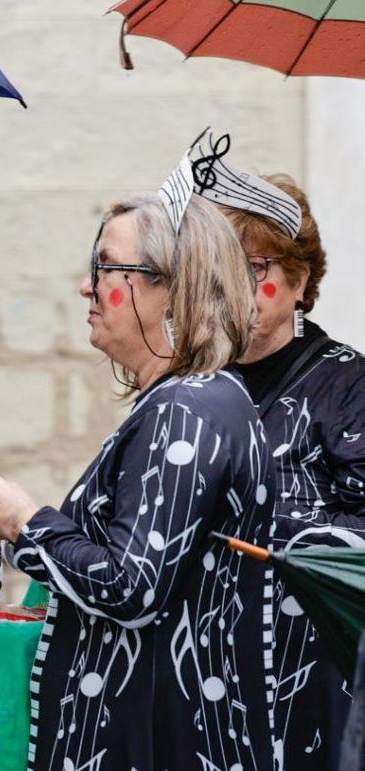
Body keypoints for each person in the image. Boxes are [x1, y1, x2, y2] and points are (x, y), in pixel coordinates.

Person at [0, 131, 275, 771]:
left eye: (104, 268)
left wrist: (23, 519)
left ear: (170, 286)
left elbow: (130, 588)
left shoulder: (189, 408)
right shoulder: (193, 401)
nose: (85, 286)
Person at [208, 147, 362, 768]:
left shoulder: (348, 383)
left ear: (299, 281)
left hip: (314, 672)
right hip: (214, 670)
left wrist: (267, 534)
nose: (236, 285)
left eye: (257, 266)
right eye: (219, 267)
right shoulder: (195, 386)